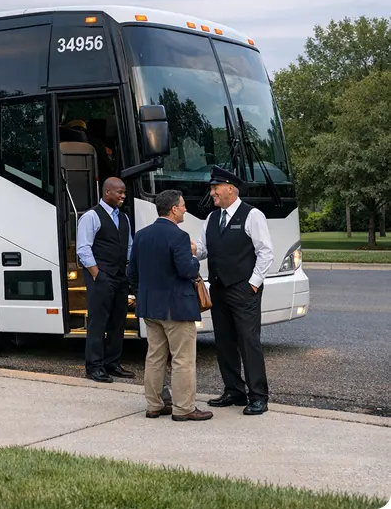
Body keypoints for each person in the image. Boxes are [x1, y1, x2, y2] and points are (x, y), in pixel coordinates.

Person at [194, 165, 274, 415]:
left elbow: (265, 252)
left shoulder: (252, 215)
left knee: (249, 342)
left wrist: (253, 283)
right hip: (218, 289)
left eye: (215, 187)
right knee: (224, 341)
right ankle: (233, 390)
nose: (212, 192)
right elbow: (204, 249)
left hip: (243, 289)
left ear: (230, 188)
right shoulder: (211, 218)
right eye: (212, 188)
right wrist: (186, 246)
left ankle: (258, 396)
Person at [128, 190, 213, 421]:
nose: (185, 209)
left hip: (150, 308)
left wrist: (142, 295)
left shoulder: (141, 235)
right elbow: (187, 270)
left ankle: (154, 405)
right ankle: (184, 408)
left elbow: (132, 273)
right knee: (182, 359)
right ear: (174, 209)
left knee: (154, 357)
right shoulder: (179, 237)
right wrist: (194, 259)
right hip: (177, 308)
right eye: (183, 206)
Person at [76, 177, 135, 382]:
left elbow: (129, 247)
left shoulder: (124, 218)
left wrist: (128, 271)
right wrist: (97, 275)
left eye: (124, 192)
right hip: (101, 277)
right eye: (119, 192)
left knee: (118, 322)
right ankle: (94, 366)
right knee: (98, 323)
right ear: (107, 192)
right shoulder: (91, 216)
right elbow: (83, 248)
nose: (123, 196)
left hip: (120, 277)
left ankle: (112, 363)